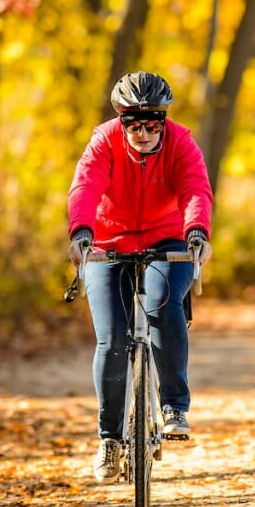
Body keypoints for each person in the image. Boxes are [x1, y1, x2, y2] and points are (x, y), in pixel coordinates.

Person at [67, 71, 214, 483]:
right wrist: (81, 232)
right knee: (112, 339)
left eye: (153, 123)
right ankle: (110, 438)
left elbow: (195, 190)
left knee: (162, 307)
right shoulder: (104, 140)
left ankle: (174, 407)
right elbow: (85, 186)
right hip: (108, 241)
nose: (144, 132)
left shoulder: (182, 142)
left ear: (164, 121)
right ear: (121, 120)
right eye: (134, 124)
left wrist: (196, 232)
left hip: (169, 240)